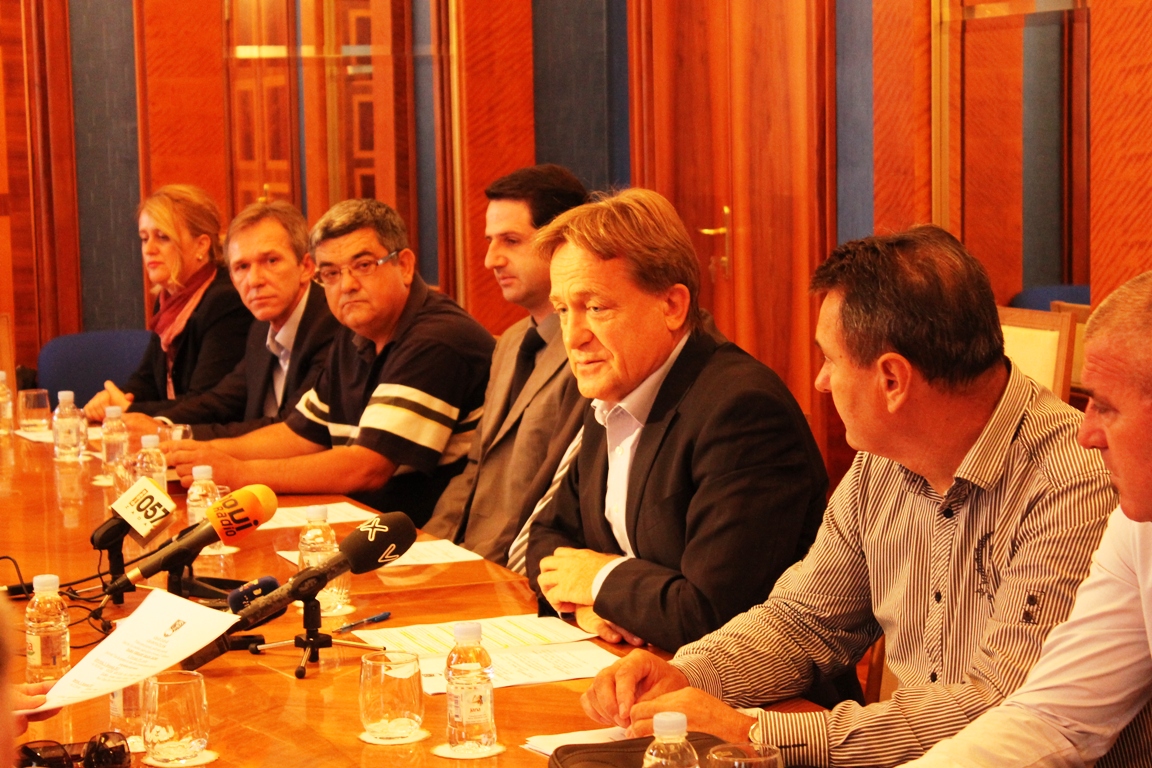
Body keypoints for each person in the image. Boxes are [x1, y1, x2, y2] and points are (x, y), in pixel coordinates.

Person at [580, 225, 1119, 767]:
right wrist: (687, 674)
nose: (821, 381)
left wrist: (754, 731)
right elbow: (805, 620)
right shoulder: (882, 461)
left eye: (831, 361)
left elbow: (1002, 707)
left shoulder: (1075, 481)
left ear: (892, 380)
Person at [524, 188, 828, 652]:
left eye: (596, 308)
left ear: (672, 306)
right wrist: (590, 607)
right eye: (563, 310)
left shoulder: (742, 412)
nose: (573, 336)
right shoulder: (611, 390)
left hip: (750, 688)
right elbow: (545, 539)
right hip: (634, 662)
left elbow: (712, 615)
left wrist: (600, 580)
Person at [904, 272, 1152, 767]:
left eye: (1105, 408)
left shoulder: (1075, 483)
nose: (1086, 435)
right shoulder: (1136, 526)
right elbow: (1052, 719)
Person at [168, 199, 494, 526]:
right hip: (367, 522)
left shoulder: (437, 338)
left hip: (431, 537)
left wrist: (240, 473)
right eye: (331, 273)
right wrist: (205, 455)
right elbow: (298, 435)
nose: (347, 285)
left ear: (405, 266)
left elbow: (367, 467)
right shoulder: (354, 334)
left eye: (364, 265)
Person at [423, 164, 588, 565]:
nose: (490, 260)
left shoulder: (589, 348)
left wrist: (482, 571)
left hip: (517, 566)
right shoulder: (510, 342)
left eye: (511, 241)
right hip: (465, 557)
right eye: (490, 241)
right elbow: (476, 468)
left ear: (561, 241)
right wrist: (424, 551)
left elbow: (551, 499)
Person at [121, 201, 340, 439]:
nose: (254, 280)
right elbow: (223, 399)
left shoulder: (331, 324)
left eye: (271, 261)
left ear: (306, 267)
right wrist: (161, 424)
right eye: (242, 267)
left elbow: (292, 429)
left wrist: (172, 435)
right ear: (233, 278)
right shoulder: (261, 326)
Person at [83, 184, 253, 420]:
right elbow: (148, 380)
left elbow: (206, 402)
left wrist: (129, 410)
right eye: (144, 239)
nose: (149, 249)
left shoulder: (226, 301)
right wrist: (114, 399)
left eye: (162, 237)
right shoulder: (169, 299)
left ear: (201, 245)